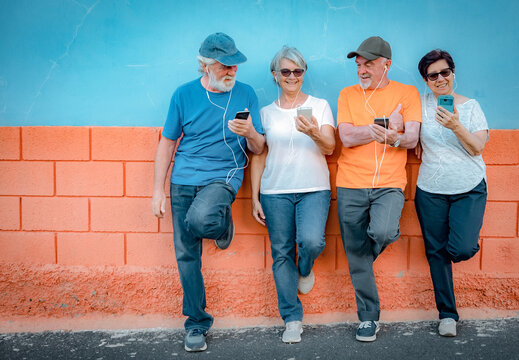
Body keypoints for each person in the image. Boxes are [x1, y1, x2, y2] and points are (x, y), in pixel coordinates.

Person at [151, 32, 265, 352]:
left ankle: (219, 222)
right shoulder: (183, 95)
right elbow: (167, 143)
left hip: (223, 177)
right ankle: (197, 323)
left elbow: (258, 147)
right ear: (204, 65)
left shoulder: (245, 94)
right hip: (183, 179)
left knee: (200, 220)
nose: (232, 71)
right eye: (224, 65)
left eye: (235, 65)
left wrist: (250, 132)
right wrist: (157, 191)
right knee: (186, 254)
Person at [336, 36, 421, 342]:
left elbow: (411, 138)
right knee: (357, 252)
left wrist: (395, 134)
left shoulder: (407, 93)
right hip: (350, 183)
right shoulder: (347, 94)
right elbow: (345, 137)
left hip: (389, 184)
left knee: (383, 233)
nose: (362, 70)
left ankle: (360, 261)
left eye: (369, 64)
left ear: (386, 64)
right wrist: (386, 130)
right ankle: (368, 317)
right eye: (359, 64)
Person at [250, 46, 335, 343]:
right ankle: (292, 318)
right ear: (275, 75)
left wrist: (312, 132)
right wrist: (254, 197)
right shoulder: (265, 113)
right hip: (275, 192)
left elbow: (329, 147)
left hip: (314, 188)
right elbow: (259, 155)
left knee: (311, 241)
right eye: (285, 71)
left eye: (297, 71)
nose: (292, 76)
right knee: (281, 252)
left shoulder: (320, 105)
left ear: (304, 74)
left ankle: (305, 268)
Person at [415, 49, 488, 337]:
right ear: (426, 80)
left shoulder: (470, 107)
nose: (440, 79)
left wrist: (455, 124)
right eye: (433, 75)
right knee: (436, 253)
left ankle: (460, 247)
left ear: (453, 74)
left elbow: (476, 147)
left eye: (445, 72)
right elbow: (408, 131)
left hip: (469, 187)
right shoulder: (419, 105)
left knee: (461, 248)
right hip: (430, 189)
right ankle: (447, 314)